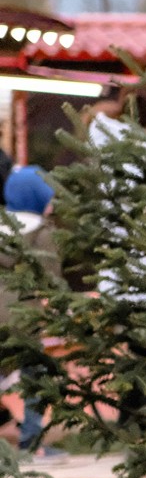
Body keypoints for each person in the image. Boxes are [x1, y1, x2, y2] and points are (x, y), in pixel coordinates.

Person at [1, 166, 64, 460]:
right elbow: (51, 279)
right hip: (23, 318)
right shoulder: (42, 233)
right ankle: (31, 440)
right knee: (35, 374)